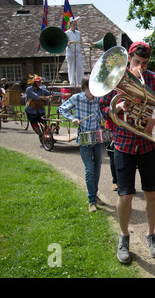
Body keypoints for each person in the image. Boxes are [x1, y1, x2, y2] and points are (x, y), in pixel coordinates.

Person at [99, 41, 155, 263]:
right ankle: (124, 238)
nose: (140, 67)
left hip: (148, 146)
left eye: (144, 63)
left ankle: (151, 235)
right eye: (136, 62)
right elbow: (103, 108)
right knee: (125, 195)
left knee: (151, 193)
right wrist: (116, 107)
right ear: (129, 59)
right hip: (123, 145)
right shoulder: (115, 79)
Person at [58, 76, 105, 212]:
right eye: (89, 88)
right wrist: (72, 118)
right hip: (84, 138)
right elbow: (62, 109)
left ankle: (95, 196)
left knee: (97, 169)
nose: (91, 92)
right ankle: (91, 201)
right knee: (89, 170)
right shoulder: (77, 98)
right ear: (84, 88)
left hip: (97, 137)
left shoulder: (98, 98)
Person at [25, 75, 64, 142]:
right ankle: (40, 135)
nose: (40, 83)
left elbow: (50, 93)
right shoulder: (29, 90)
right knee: (35, 124)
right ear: (34, 82)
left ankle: (48, 136)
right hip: (31, 110)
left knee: (44, 123)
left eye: (40, 82)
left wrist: (62, 94)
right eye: (38, 82)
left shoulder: (42, 90)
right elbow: (36, 96)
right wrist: (46, 97)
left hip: (40, 110)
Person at [65, 17, 84, 86]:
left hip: (77, 50)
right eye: (74, 25)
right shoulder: (67, 33)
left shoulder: (78, 33)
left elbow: (80, 41)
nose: (75, 26)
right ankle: (72, 83)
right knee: (71, 67)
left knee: (80, 66)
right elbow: (65, 43)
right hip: (70, 51)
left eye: (76, 25)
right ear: (70, 25)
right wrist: (70, 43)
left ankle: (80, 82)